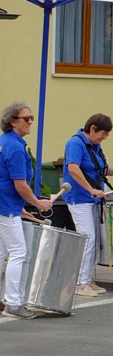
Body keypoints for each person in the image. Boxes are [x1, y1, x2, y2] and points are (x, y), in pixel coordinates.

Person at [63, 114, 113, 297]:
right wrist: (91, 189)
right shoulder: (75, 144)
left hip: (92, 199)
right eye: (103, 133)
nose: (104, 137)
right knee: (87, 238)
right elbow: (73, 169)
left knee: (94, 239)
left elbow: (98, 168)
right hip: (79, 198)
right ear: (92, 129)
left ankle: (88, 279)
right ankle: (79, 282)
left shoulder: (94, 145)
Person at [0, 103, 53, 318]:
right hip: (7, 207)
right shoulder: (14, 147)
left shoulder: (5, 142)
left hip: (7, 206)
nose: (30, 122)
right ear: (13, 122)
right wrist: (38, 204)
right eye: (26, 118)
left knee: (3, 253)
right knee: (19, 253)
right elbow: (19, 184)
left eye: (31, 118)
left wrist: (23, 208)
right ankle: (13, 303)